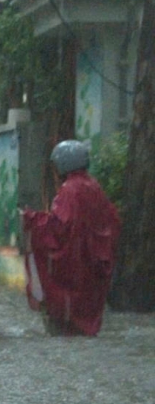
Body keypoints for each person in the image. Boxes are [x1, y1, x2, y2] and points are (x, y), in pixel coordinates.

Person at [22, 139, 120, 336]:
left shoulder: (69, 190)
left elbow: (60, 227)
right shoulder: (94, 187)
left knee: (64, 323)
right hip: (94, 265)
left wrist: (32, 218)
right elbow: (113, 221)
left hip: (74, 266)